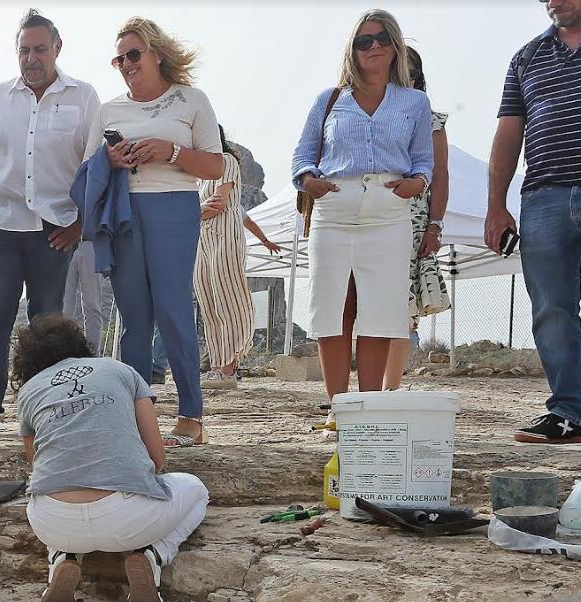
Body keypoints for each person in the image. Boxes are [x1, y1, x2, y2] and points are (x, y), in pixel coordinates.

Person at [0, 10, 100, 439]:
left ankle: (47, 414)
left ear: (57, 48)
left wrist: (81, 224)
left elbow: (96, 168)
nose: (31, 58)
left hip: (55, 231)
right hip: (0, 227)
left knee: (47, 327)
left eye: (39, 49)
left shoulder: (84, 97)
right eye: (24, 50)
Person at [83, 17, 226, 447]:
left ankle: (191, 414)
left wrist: (171, 151)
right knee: (133, 317)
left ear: (156, 54)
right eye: (119, 59)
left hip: (174, 207)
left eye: (133, 54)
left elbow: (216, 165)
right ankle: (135, 416)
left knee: (172, 309)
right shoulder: (108, 110)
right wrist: (112, 159)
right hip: (124, 210)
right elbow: (89, 168)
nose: (126, 64)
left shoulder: (191, 99)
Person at [291, 10, 432, 432]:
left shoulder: (415, 102)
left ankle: (368, 408)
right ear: (352, 50)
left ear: (395, 45)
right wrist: (310, 181)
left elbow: (424, 159)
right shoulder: (329, 99)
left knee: (381, 311)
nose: (373, 47)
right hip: (335, 208)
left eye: (382, 38)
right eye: (363, 41)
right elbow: (302, 156)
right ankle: (338, 409)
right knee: (333, 308)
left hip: (389, 212)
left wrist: (418, 182)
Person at [14, 315, 208, 602]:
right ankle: (153, 556)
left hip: (54, 522)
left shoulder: (29, 391)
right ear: (80, 345)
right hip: (128, 518)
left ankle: (61, 560)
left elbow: (37, 463)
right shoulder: (120, 371)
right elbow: (157, 457)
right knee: (197, 489)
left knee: (51, 489)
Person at [486, 0, 581, 444]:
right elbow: (509, 132)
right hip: (542, 196)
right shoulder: (526, 57)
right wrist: (496, 205)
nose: (554, 2)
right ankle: (569, 412)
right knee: (551, 310)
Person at [384, 47, 450, 391]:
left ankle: (389, 388)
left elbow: (440, 176)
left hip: (412, 221)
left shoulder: (432, 120)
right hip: (370, 215)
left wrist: (435, 226)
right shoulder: (364, 114)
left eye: (407, 72)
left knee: (401, 306)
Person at [194, 125, 280, 390]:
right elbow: (202, 208)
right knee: (208, 302)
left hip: (224, 235)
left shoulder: (226, 162)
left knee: (227, 297)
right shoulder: (197, 175)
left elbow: (219, 204)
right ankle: (218, 366)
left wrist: (191, 212)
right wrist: (197, 211)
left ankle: (229, 368)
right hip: (202, 239)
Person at [63, 240, 105, 353]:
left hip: (91, 243)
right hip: (66, 244)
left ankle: (93, 355)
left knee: (93, 306)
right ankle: (64, 355)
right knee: (64, 309)